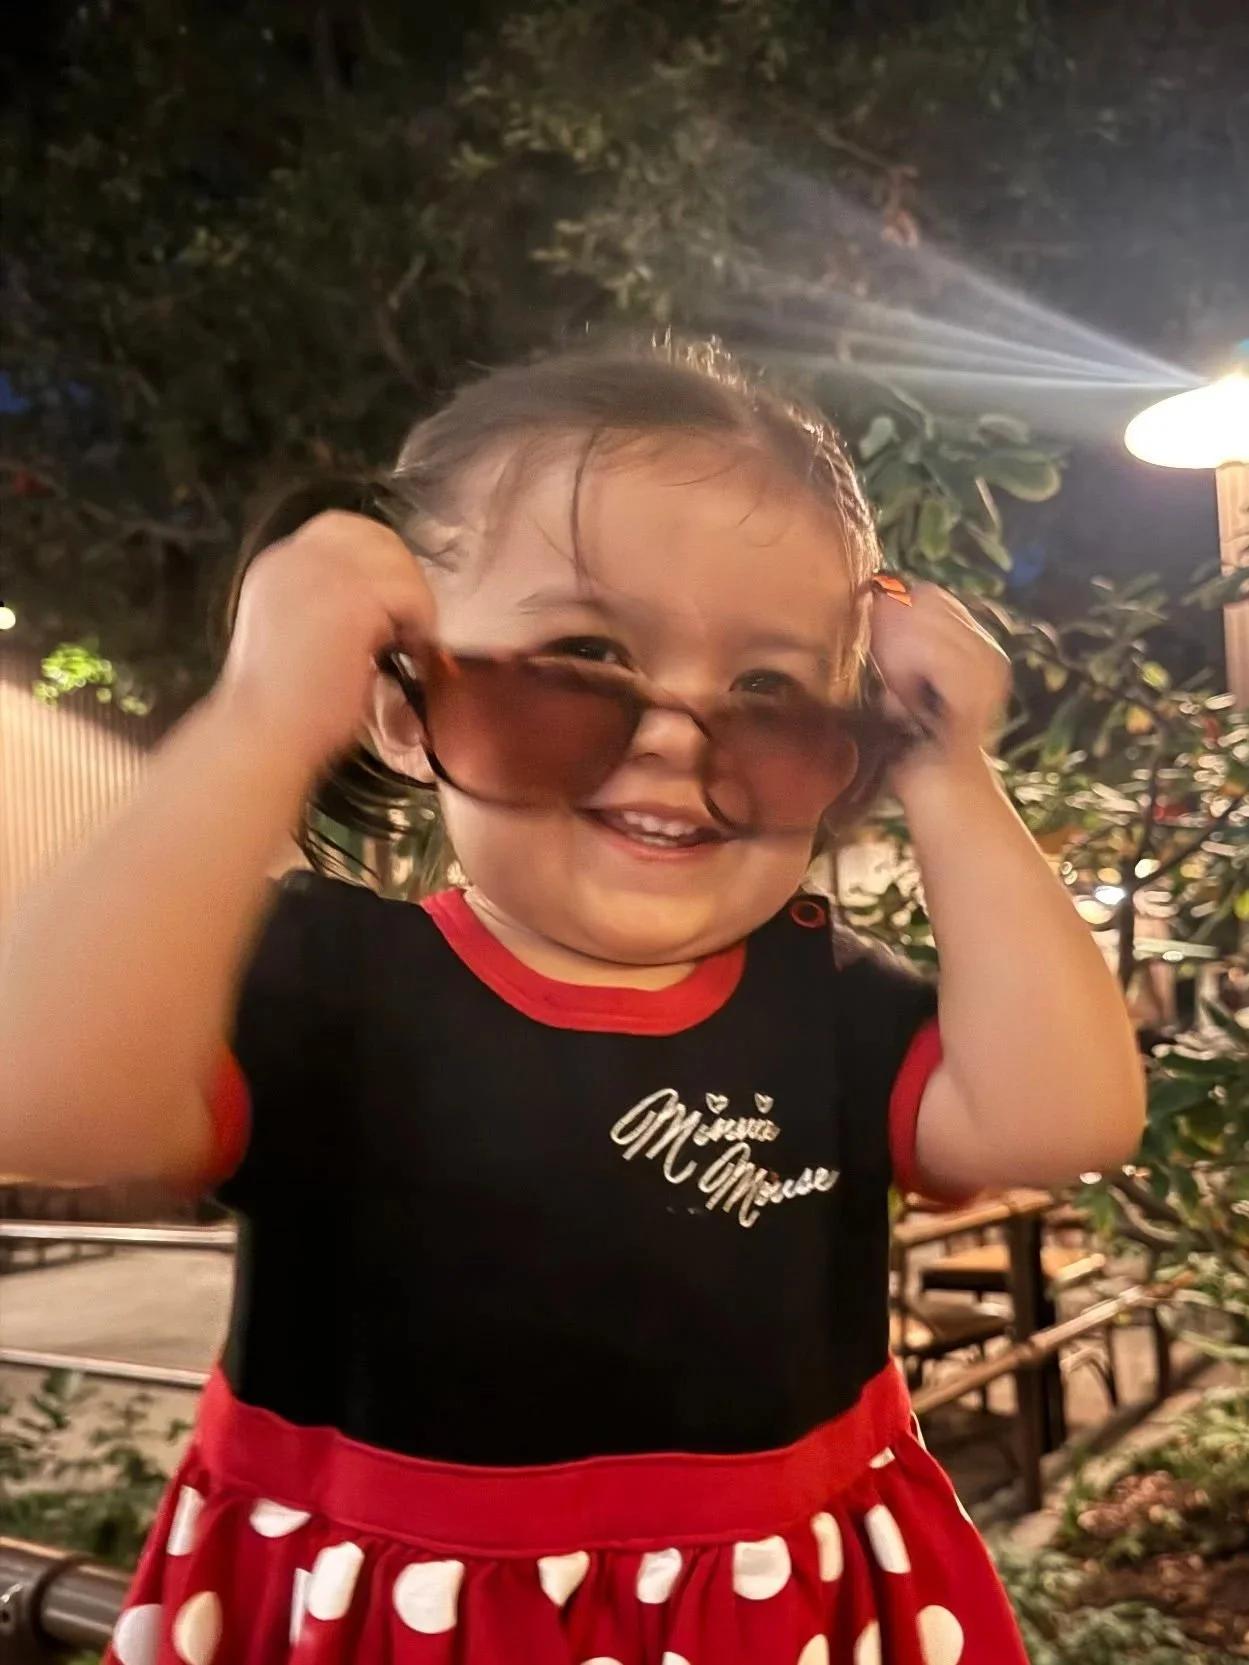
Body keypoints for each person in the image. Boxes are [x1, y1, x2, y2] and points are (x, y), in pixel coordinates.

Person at [0, 346, 1144, 1665]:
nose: (675, 736)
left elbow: (1063, 1123)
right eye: (583, 657)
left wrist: (950, 771)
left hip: (782, 1616)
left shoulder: (828, 998)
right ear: (402, 703)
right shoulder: (326, 983)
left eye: (769, 691)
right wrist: (260, 718)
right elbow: (38, 1104)